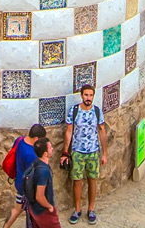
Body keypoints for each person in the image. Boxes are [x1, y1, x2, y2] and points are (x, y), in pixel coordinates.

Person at [61, 85, 108, 224]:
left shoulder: (97, 111)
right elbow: (69, 132)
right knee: (77, 181)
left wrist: (104, 153)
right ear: (82, 95)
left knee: (92, 180)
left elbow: (102, 132)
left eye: (91, 95)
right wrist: (65, 152)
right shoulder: (74, 111)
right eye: (86, 95)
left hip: (93, 151)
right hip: (77, 151)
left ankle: (91, 209)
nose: (88, 98)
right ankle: (77, 209)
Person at [3, 123, 47, 228]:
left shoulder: (19, 140)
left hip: (19, 183)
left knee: (17, 209)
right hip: (29, 189)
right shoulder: (32, 155)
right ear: (36, 138)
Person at [23, 137, 59, 228]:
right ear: (45, 154)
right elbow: (39, 196)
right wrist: (50, 207)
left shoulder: (36, 163)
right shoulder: (43, 172)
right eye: (50, 148)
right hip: (43, 211)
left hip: (35, 209)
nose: (52, 149)